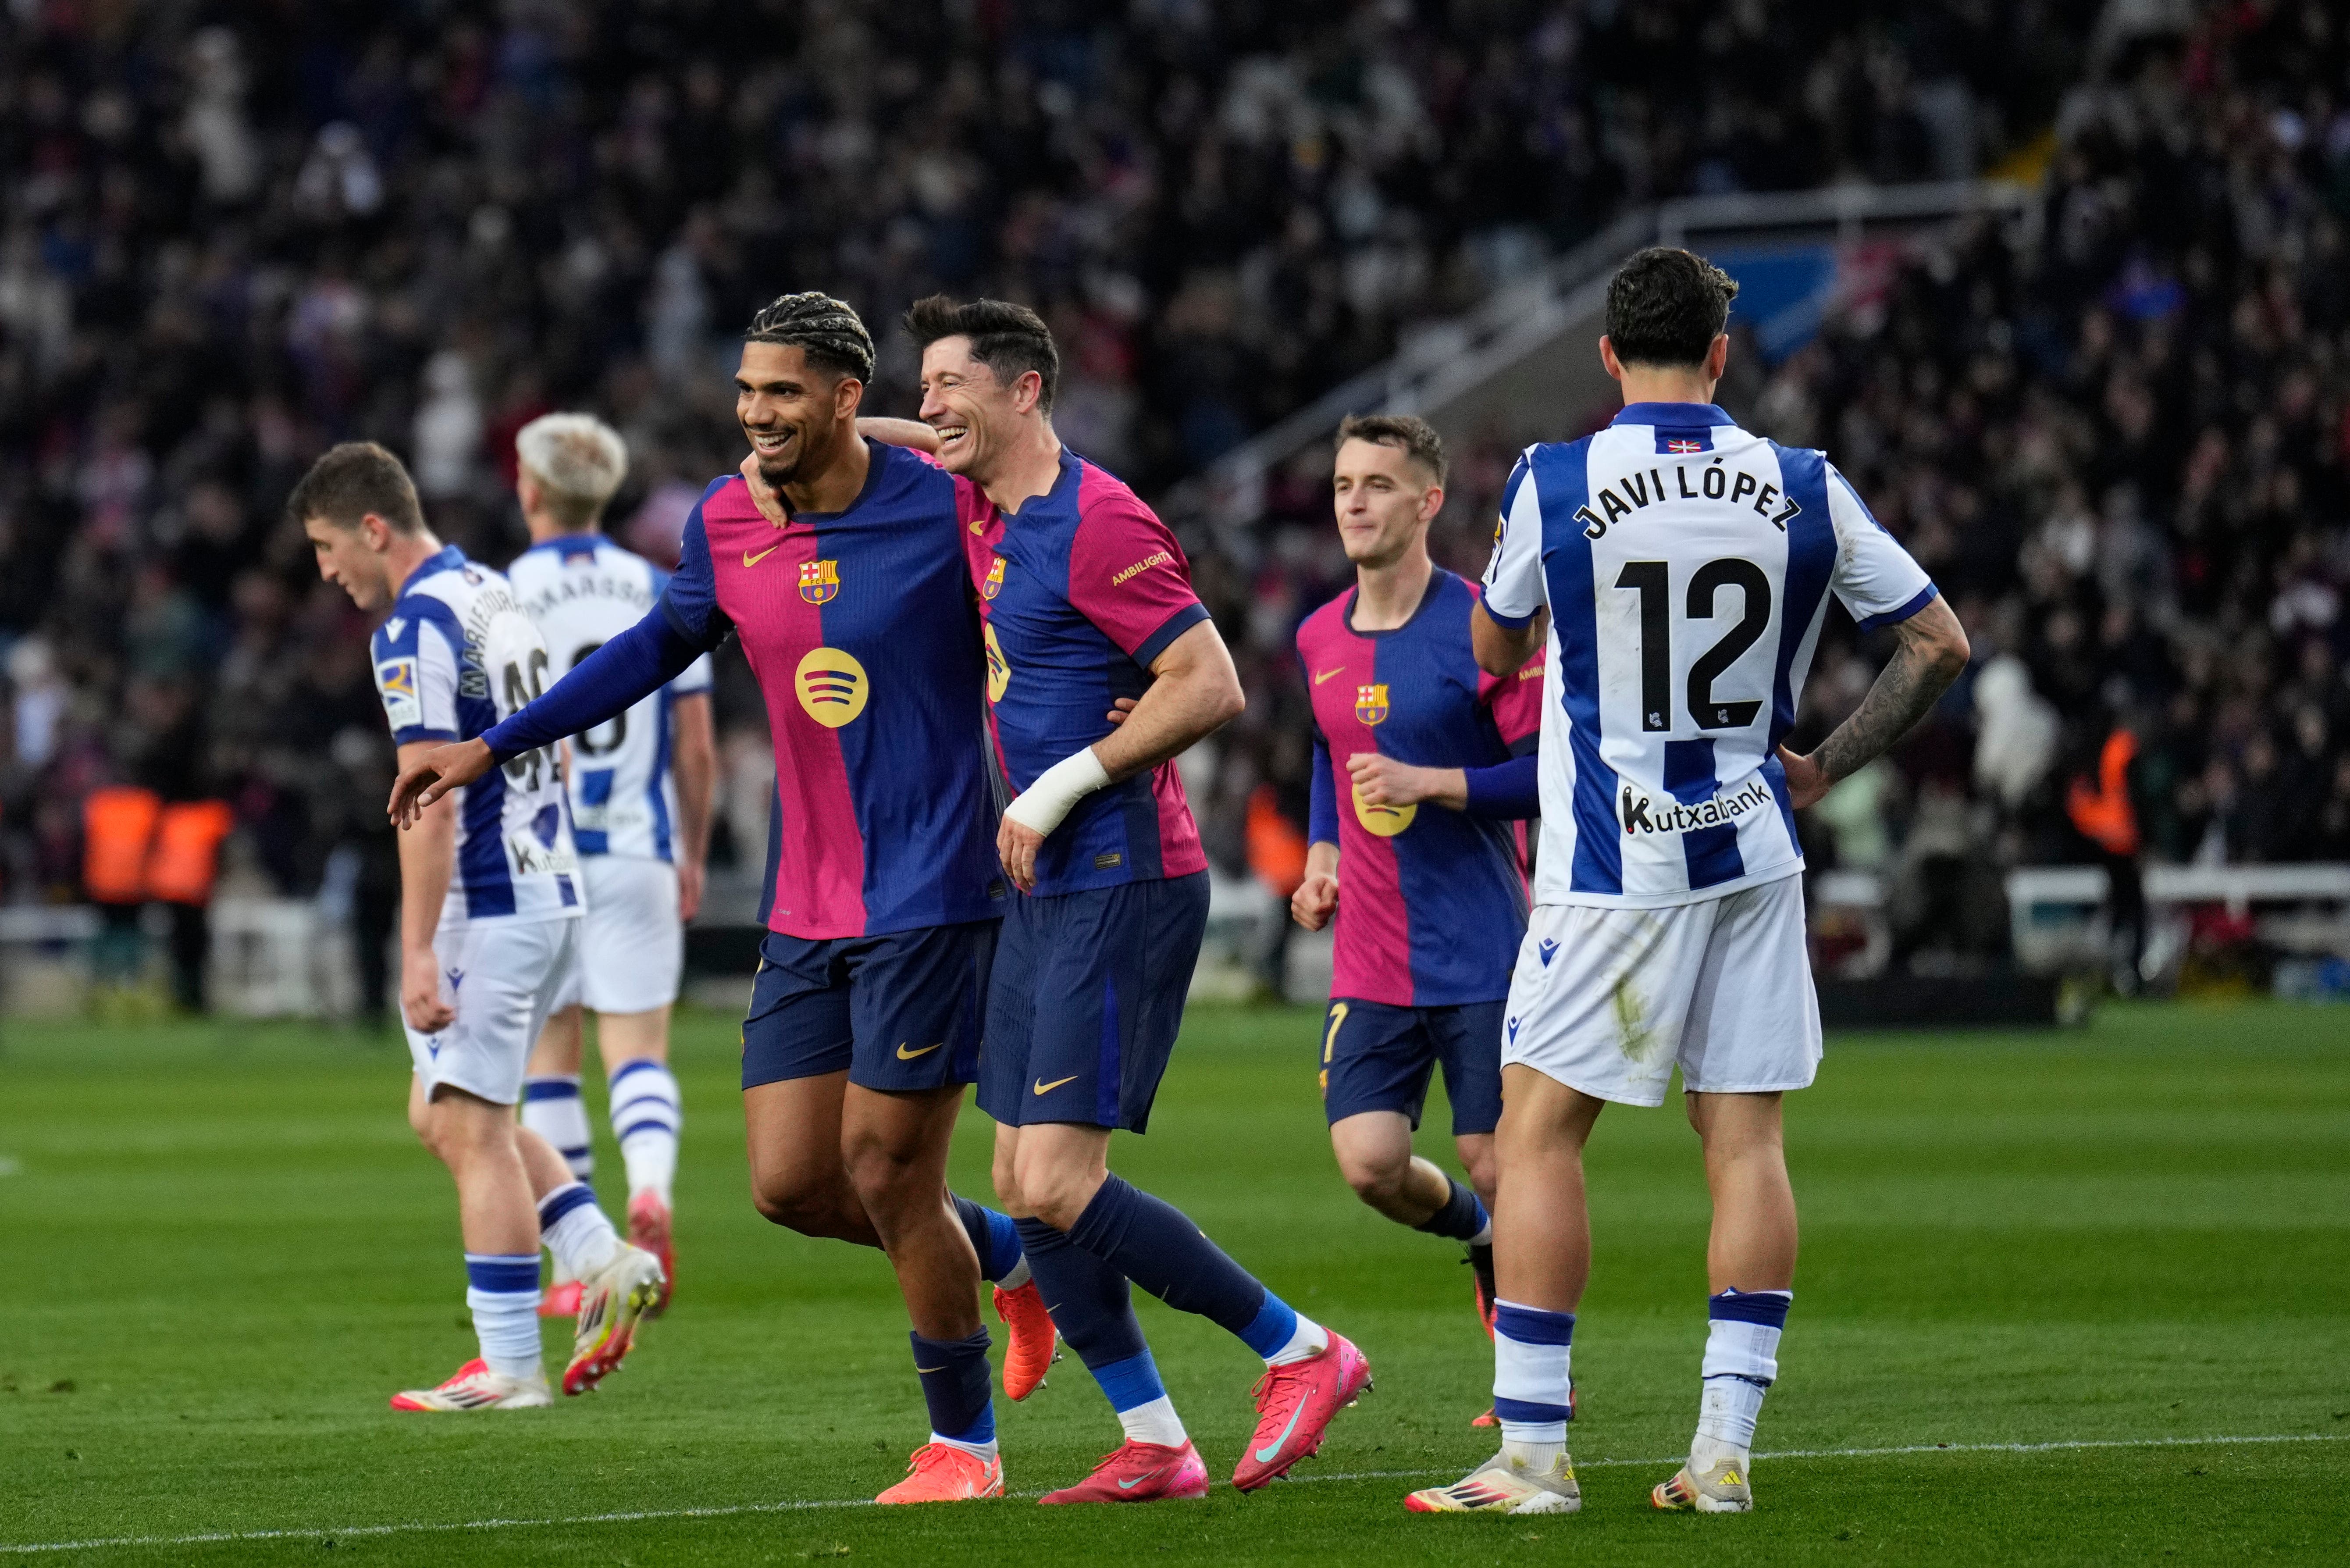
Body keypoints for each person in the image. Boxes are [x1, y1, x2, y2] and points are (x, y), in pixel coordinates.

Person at [386, 294, 1051, 1504]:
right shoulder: (726, 519)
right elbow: (647, 651)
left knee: (891, 1172)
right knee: (793, 1187)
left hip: (935, 892)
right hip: (807, 903)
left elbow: (1030, 497)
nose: (756, 415)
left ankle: (965, 1448)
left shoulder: (952, 509)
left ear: (847, 397)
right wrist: (494, 746)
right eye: (748, 392)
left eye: (785, 392)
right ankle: (1008, 1257)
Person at [1405, 248, 1968, 1517]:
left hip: (1614, 862)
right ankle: (1722, 1458)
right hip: (1755, 848)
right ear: (1724, 352)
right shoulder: (1802, 484)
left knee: (1542, 1137)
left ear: (1607, 355)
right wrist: (1823, 763)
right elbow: (1939, 643)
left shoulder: (1558, 479)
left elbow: (1495, 643)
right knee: (1747, 1143)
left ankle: (1537, 1454)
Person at [871, 295, 1369, 1503]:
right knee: (1022, 1175)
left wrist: (1059, 788)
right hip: (1044, 886)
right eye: (922, 384)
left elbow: (1209, 684)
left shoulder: (1099, 521)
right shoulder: (987, 505)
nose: (928, 403)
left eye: (948, 383)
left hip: (1122, 873)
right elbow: (893, 443)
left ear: (1024, 389)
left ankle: (1302, 1352)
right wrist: (826, 421)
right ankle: (1155, 1439)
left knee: (1052, 1182)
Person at [293, 441, 665, 1412]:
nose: (328, 571)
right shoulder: (494, 593)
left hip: (488, 904)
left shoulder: (414, 625)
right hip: (552, 887)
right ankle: (602, 1258)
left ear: (374, 528)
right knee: (446, 1115)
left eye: (330, 548)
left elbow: (430, 798)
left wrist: (416, 948)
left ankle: (508, 1368)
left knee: (471, 1127)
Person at [1289, 413, 1543, 1425]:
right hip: (1371, 958)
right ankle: (1484, 1241)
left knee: (1497, 1153)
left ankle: (1532, 1373)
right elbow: (1327, 749)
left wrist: (1427, 782)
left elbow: (1542, 779)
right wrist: (1321, 858)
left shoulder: (1487, 626)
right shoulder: (1314, 635)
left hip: (1481, 947)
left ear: (1428, 502)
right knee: (1369, 1163)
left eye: (1379, 486)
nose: (1355, 502)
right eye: (1345, 484)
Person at [505, 413, 716, 1314]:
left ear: (532, 490)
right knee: (639, 1048)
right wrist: (694, 851)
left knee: (550, 1057)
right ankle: (653, 1189)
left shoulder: (502, 593)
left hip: (539, 853)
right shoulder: (658, 585)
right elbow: (697, 748)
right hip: (639, 844)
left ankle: (573, 1268)